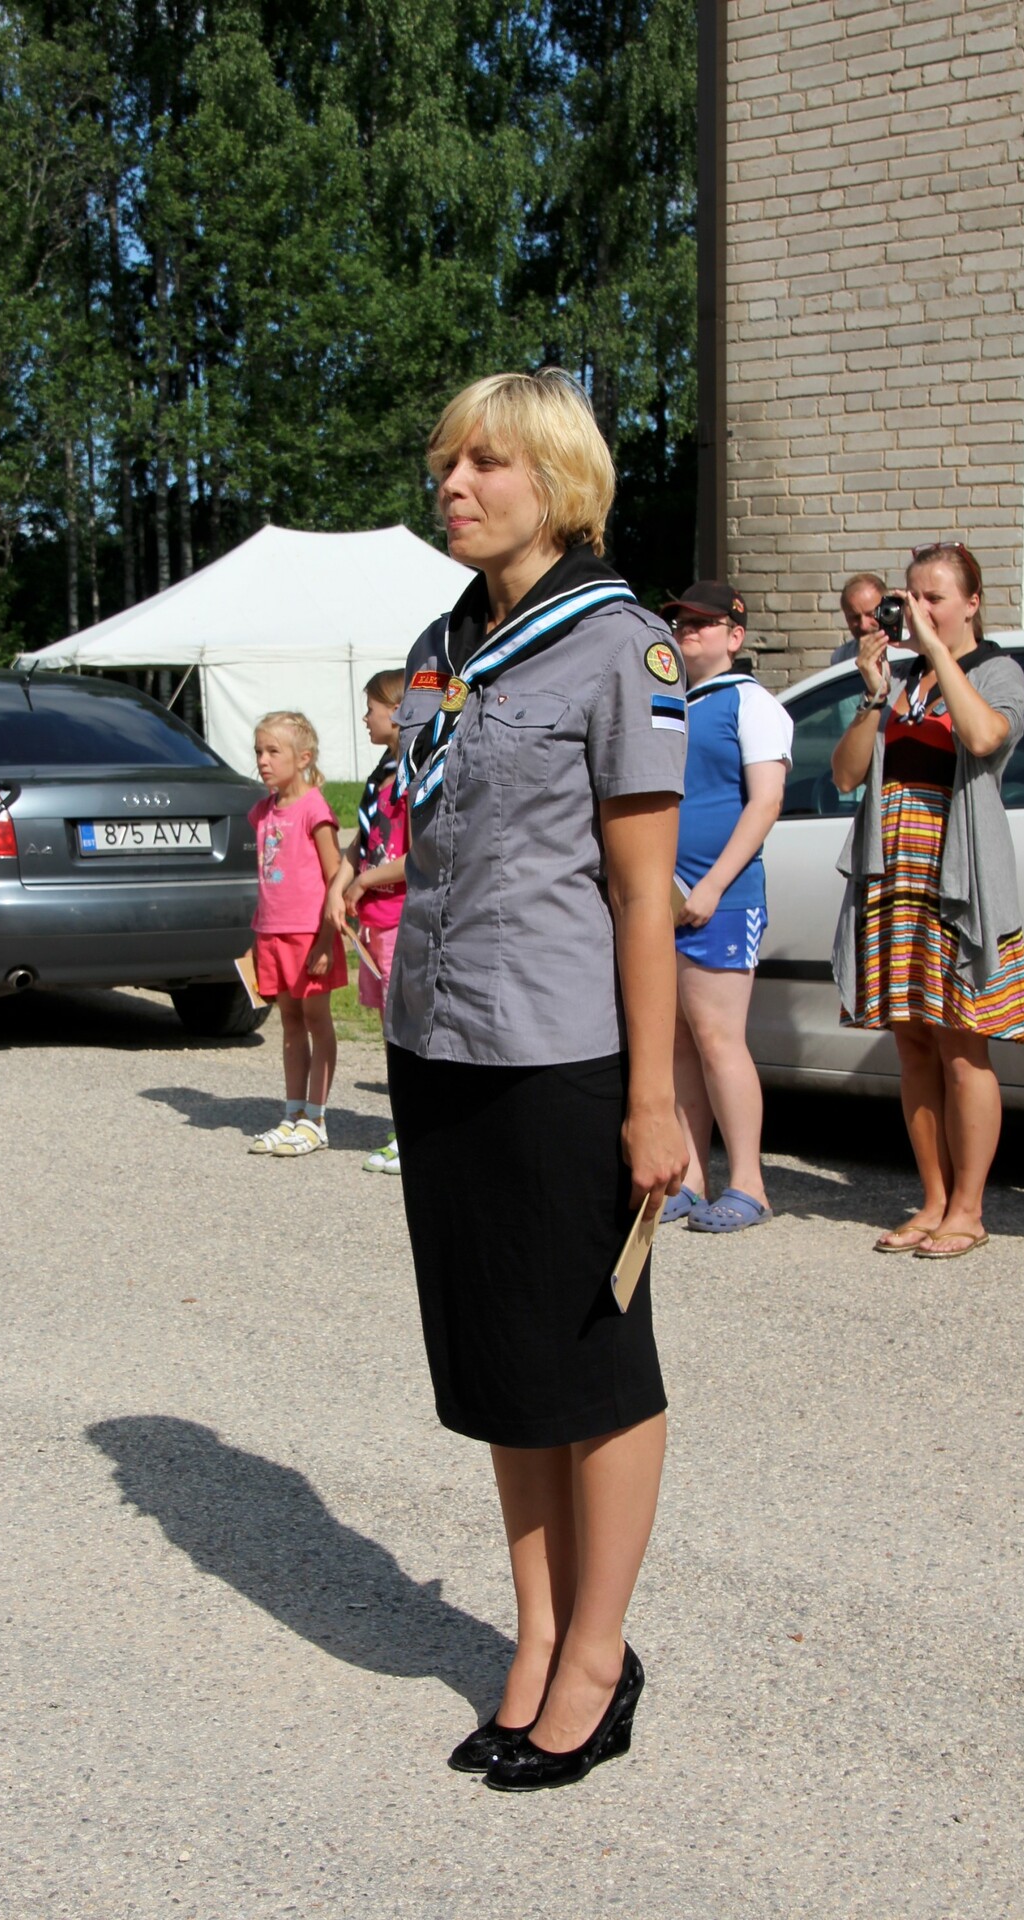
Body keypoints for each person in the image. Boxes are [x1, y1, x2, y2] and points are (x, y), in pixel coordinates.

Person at [386, 368, 688, 1793]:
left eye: (485, 463)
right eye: (447, 462)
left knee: (593, 1359)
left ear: (558, 484)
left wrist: (653, 1097)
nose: (453, 484)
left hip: (564, 1053)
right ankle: (537, 1631)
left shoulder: (620, 650)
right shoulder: (444, 645)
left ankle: (599, 1655)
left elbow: (640, 896)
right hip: (438, 1043)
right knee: (501, 1358)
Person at [829, 542, 1024, 1258]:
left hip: (958, 880)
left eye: (934, 599)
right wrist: (872, 694)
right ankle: (933, 1199)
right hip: (894, 876)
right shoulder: (898, 680)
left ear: (972, 603)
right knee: (913, 1041)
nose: (917, 610)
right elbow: (845, 775)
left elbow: (983, 737)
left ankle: (969, 1210)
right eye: (909, 597)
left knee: (961, 1044)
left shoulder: (996, 671)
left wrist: (937, 654)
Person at [658, 580, 793, 1233]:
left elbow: (766, 802)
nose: (688, 630)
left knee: (718, 1039)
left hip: (722, 900)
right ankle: (691, 1177)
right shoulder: (672, 702)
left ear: (735, 636)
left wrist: (711, 886)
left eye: (703, 623)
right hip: (667, 899)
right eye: (681, 621)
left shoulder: (751, 702)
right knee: (678, 1041)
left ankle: (749, 1184)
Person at [246, 711, 347, 1158]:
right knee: (289, 1023)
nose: (263, 761)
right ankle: (292, 1113)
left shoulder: (314, 809)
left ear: (303, 758)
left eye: (273, 751)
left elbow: (334, 876)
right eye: (258, 752)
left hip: (309, 936)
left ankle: (317, 1118)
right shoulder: (263, 811)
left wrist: (326, 940)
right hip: (271, 934)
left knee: (316, 1022)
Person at [325, 670, 409, 1173]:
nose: (365, 718)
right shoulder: (382, 775)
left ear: (397, 712)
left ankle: (414, 1133)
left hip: (402, 919)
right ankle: (403, 1125)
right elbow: (361, 841)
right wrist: (339, 887)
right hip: (374, 922)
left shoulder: (417, 775)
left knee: (406, 1032)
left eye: (371, 708)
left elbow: (422, 853)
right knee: (389, 1032)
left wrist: (364, 882)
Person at [830, 571, 889, 664]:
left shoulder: (909, 651)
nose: (863, 626)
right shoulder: (841, 658)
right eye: (855, 617)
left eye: (871, 614)